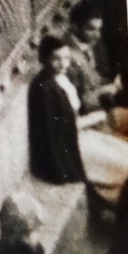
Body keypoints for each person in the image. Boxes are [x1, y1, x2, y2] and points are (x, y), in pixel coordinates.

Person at [28, 35, 86, 185]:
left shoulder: (60, 78)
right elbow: (48, 131)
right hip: (58, 150)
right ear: (45, 59)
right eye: (56, 59)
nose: (63, 64)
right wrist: (59, 171)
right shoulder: (43, 87)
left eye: (66, 58)